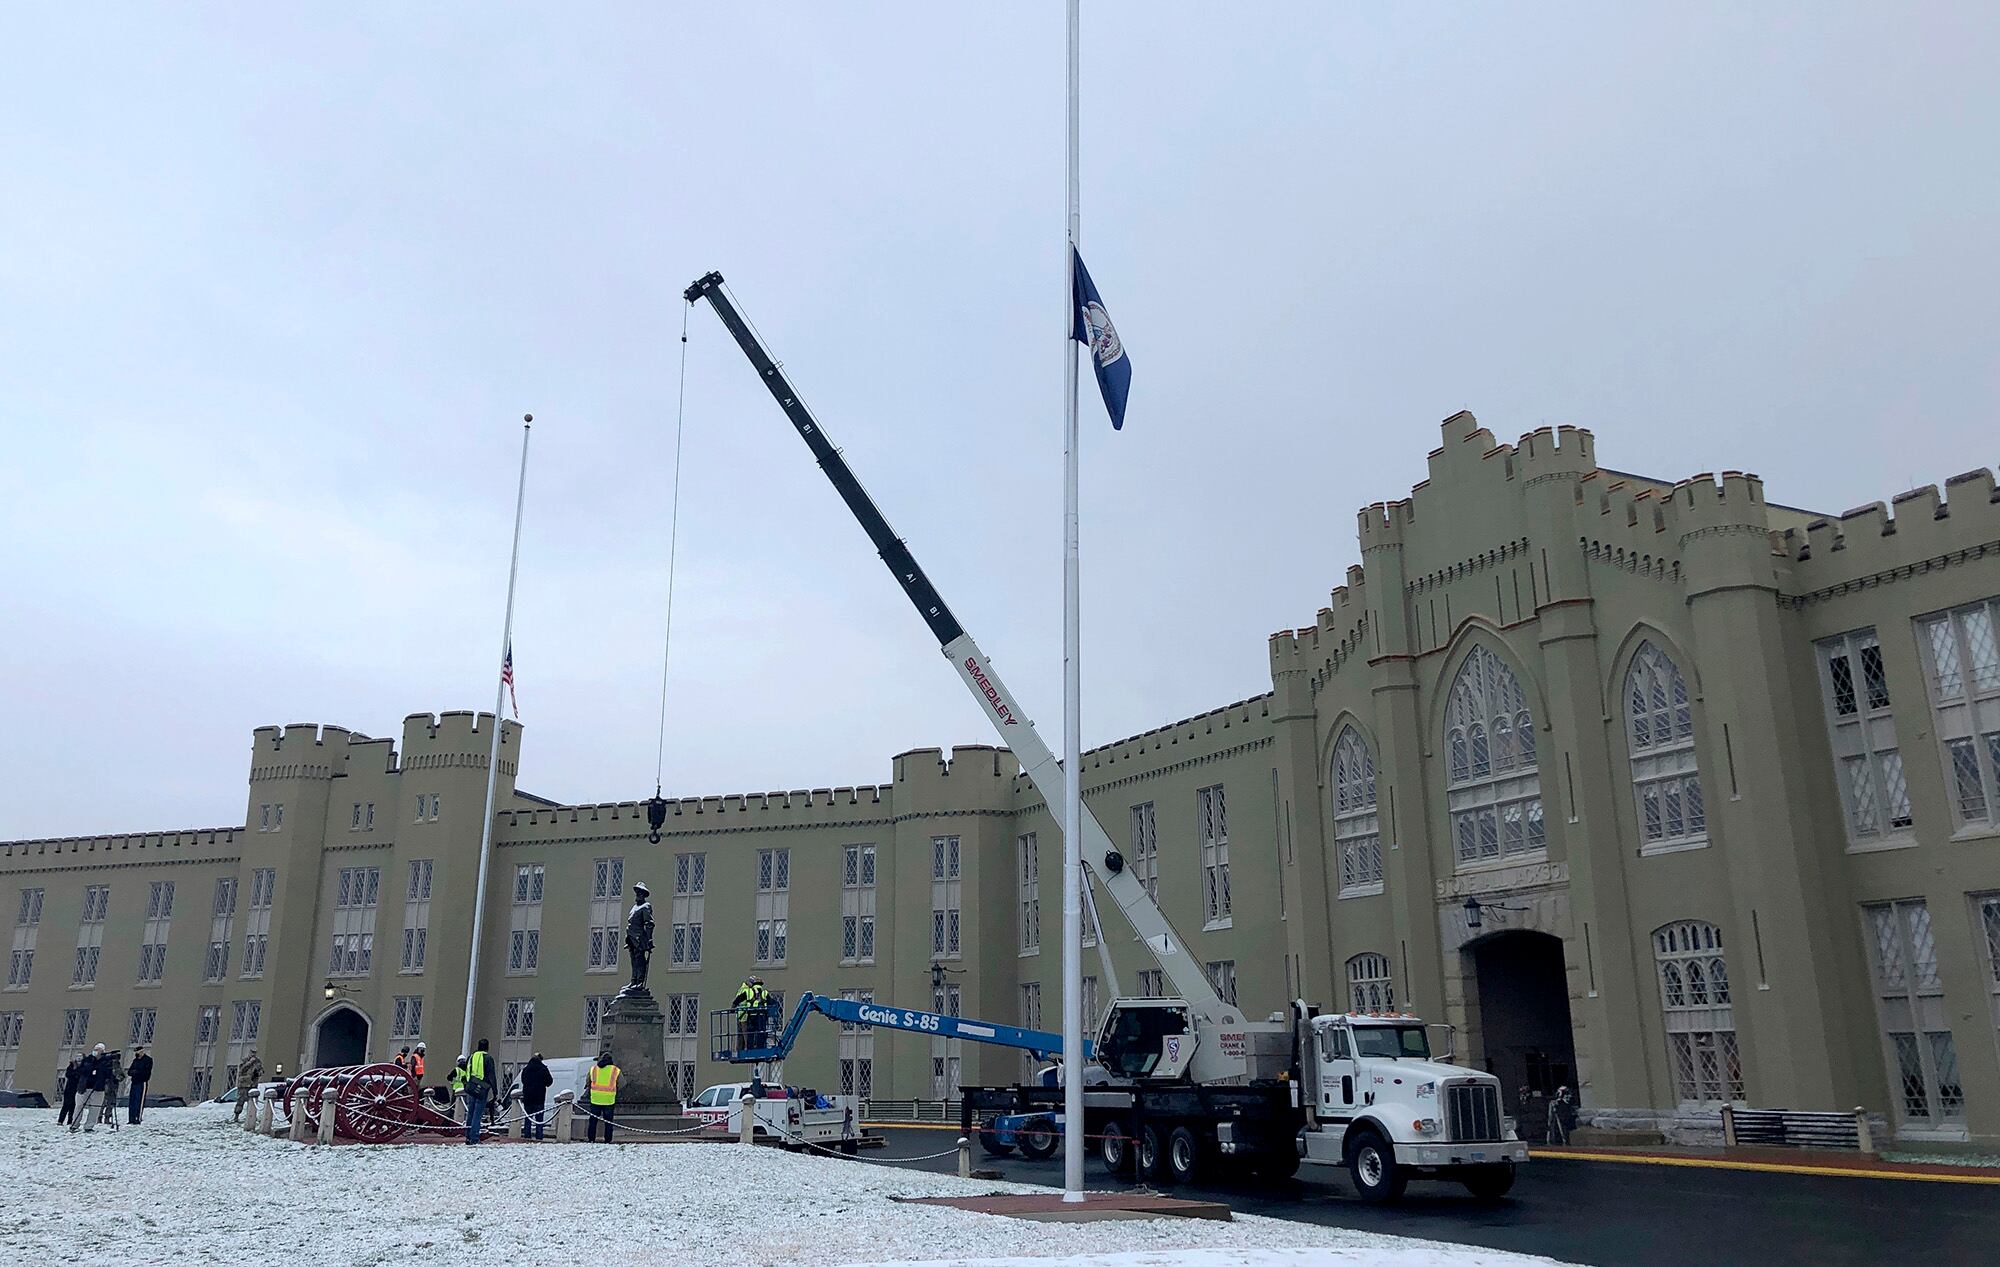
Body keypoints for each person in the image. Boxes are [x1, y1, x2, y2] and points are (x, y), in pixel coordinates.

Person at [463, 1039, 498, 1144]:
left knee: (470, 1113)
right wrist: (495, 1091)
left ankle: (468, 1136)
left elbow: (467, 1071)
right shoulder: (488, 1058)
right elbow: (491, 1075)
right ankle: (475, 1137)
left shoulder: (471, 1057)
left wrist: (467, 1084)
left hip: (471, 1087)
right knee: (477, 1114)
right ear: (487, 1047)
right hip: (482, 1088)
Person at [71, 1044, 110, 1133]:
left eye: (98, 1050)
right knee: (79, 1105)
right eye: (95, 1049)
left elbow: (108, 1074)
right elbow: (80, 1071)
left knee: (95, 1108)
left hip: (98, 1088)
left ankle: (89, 1126)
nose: (96, 1051)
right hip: (84, 1087)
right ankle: (74, 1124)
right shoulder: (88, 1060)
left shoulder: (105, 1062)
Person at [623, 882, 654, 991]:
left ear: (644, 894)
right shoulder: (634, 907)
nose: (638, 894)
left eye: (640, 892)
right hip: (631, 938)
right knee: (633, 960)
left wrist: (649, 939)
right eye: (637, 892)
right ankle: (634, 980)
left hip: (640, 938)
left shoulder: (646, 906)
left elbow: (649, 923)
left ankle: (640, 981)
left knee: (639, 960)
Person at [585, 1050, 620, 1143]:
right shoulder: (615, 1070)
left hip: (595, 1098)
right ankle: (607, 1139)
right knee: (608, 1122)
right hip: (609, 1100)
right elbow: (622, 1083)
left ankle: (591, 1138)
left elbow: (588, 1082)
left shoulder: (593, 1069)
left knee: (593, 1121)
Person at [519, 1052, 553, 1142]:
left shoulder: (525, 1069)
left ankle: (527, 1136)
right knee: (539, 1120)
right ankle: (539, 1137)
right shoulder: (543, 1069)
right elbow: (549, 1082)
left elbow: (523, 1081)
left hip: (528, 1097)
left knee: (528, 1119)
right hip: (539, 1097)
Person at [734, 975, 773, 1050]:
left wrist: (733, 1008)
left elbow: (737, 1000)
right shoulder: (764, 992)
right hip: (759, 1016)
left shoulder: (748, 991)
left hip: (749, 1015)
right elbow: (771, 1002)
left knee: (748, 1033)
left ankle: (748, 1048)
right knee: (760, 1032)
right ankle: (759, 1047)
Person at [233, 1049, 263, 1121]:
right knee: (240, 1101)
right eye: (252, 1052)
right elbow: (242, 1070)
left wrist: (259, 1071)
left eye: (254, 1053)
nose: (253, 1054)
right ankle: (236, 1116)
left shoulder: (258, 1062)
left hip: (253, 1085)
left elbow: (261, 1071)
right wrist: (250, 1063)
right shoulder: (245, 1061)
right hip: (244, 1085)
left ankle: (251, 1116)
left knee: (252, 1102)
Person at [127, 1046, 154, 1124]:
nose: (136, 1053)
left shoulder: (147, 1060)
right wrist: (135, 1072)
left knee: (139, 1100)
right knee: (132, 1101)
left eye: (138, 1052)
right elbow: (130, 1072)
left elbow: (145, 1073)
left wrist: (136, 1072)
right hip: (134, 1082)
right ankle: (131, 1118)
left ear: (142, 1051)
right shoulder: (135, 1061)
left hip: (142, 1083)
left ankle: (137, 1117)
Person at [99, 1049, 124, 1130]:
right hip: (109, 1084)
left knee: (108, 1101)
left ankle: (104, 1117)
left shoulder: (111, 1064)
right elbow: (119, 1074)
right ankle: (102, 1117)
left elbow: (120, 1075)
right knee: (107, 1101)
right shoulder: (111, 1064)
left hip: (111, 1084)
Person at [57, 1058, 81, 1126]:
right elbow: (68, 1074)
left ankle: (70, 1121)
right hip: (69, 1089)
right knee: (66, 1105)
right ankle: (61, 1120)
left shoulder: (82, 1067)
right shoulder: (70, 1067)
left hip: (77, 1089)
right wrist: (75, 1070)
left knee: (73, 1106)